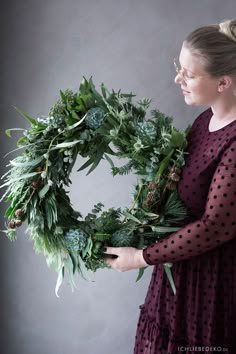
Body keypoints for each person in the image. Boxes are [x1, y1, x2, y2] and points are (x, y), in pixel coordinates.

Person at [104, 18, 236, 353]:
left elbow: (214, 227)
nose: (178, 78)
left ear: (223, 82)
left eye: (189, 73)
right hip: (179, 275)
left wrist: (140, 256)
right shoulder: (206, 119)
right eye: (179, 67)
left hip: (212, 291)